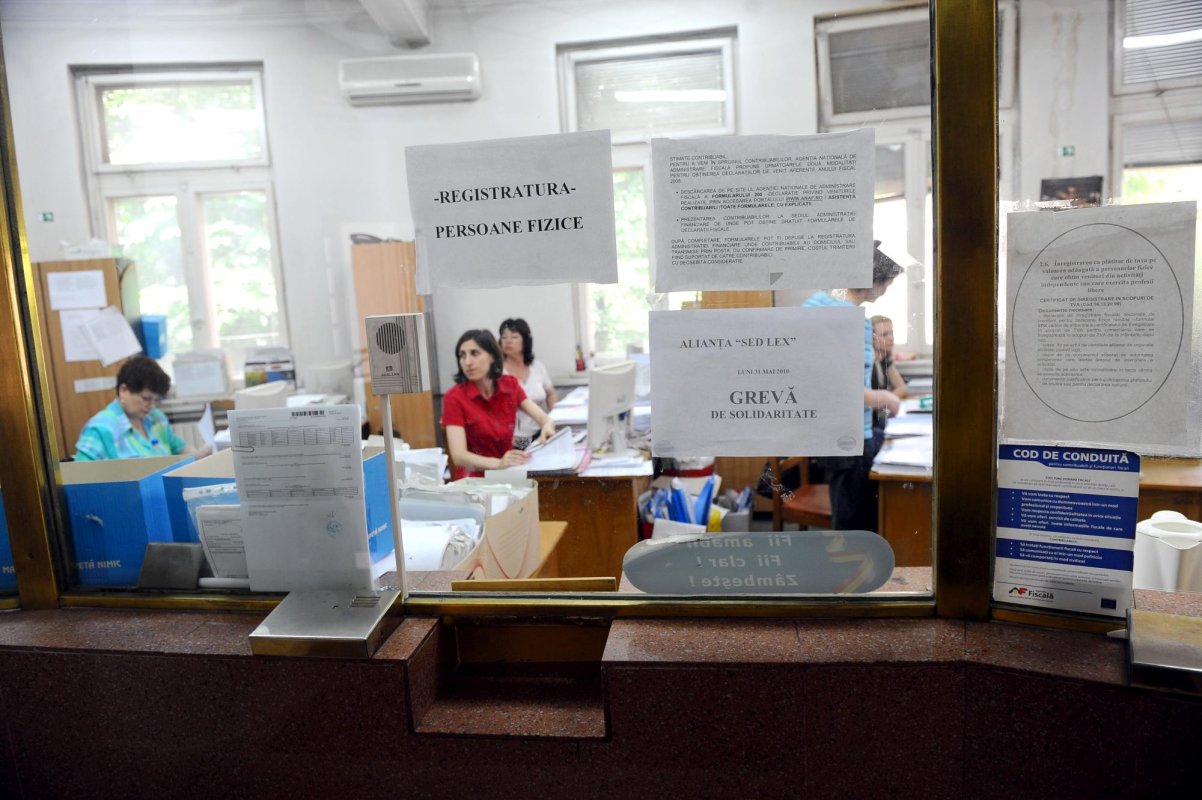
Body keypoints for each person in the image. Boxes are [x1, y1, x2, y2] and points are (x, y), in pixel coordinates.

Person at [803, 242, 905, 532]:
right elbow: (845, 392)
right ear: (875, 280)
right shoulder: (852, 320)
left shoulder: (815, 304)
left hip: (827, 432)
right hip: (851, 435)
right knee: (855, 523)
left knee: (846, 514)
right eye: (888, 283)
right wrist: (886, 398)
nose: (886, 291)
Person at [442, 329, 555, 479]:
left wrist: (547, 427)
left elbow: (544, 419)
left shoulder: (510, 385)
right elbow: (459, 456)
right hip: (473, 481)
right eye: (462, 355)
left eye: (475, 353)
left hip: (508, 473)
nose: (467, 362)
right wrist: (498, 464)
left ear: (492, 356)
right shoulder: (454, 397)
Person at [74, 354, 205, 461]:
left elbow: (179, 447)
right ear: (124, 390)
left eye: (156, 400)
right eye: (146, 398)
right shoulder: (101, 429)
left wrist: (201, 455)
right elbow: (80, 478)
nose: (152, 406)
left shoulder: (156, 418)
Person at [499, 317, 558, 449]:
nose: (508, 341)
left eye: (514, 337)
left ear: (525, 341)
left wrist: (553, 418)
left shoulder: (537, 367)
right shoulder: (498, 373)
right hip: (513, 439)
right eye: (504, 337)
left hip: (540, 433)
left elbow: (551, 393)